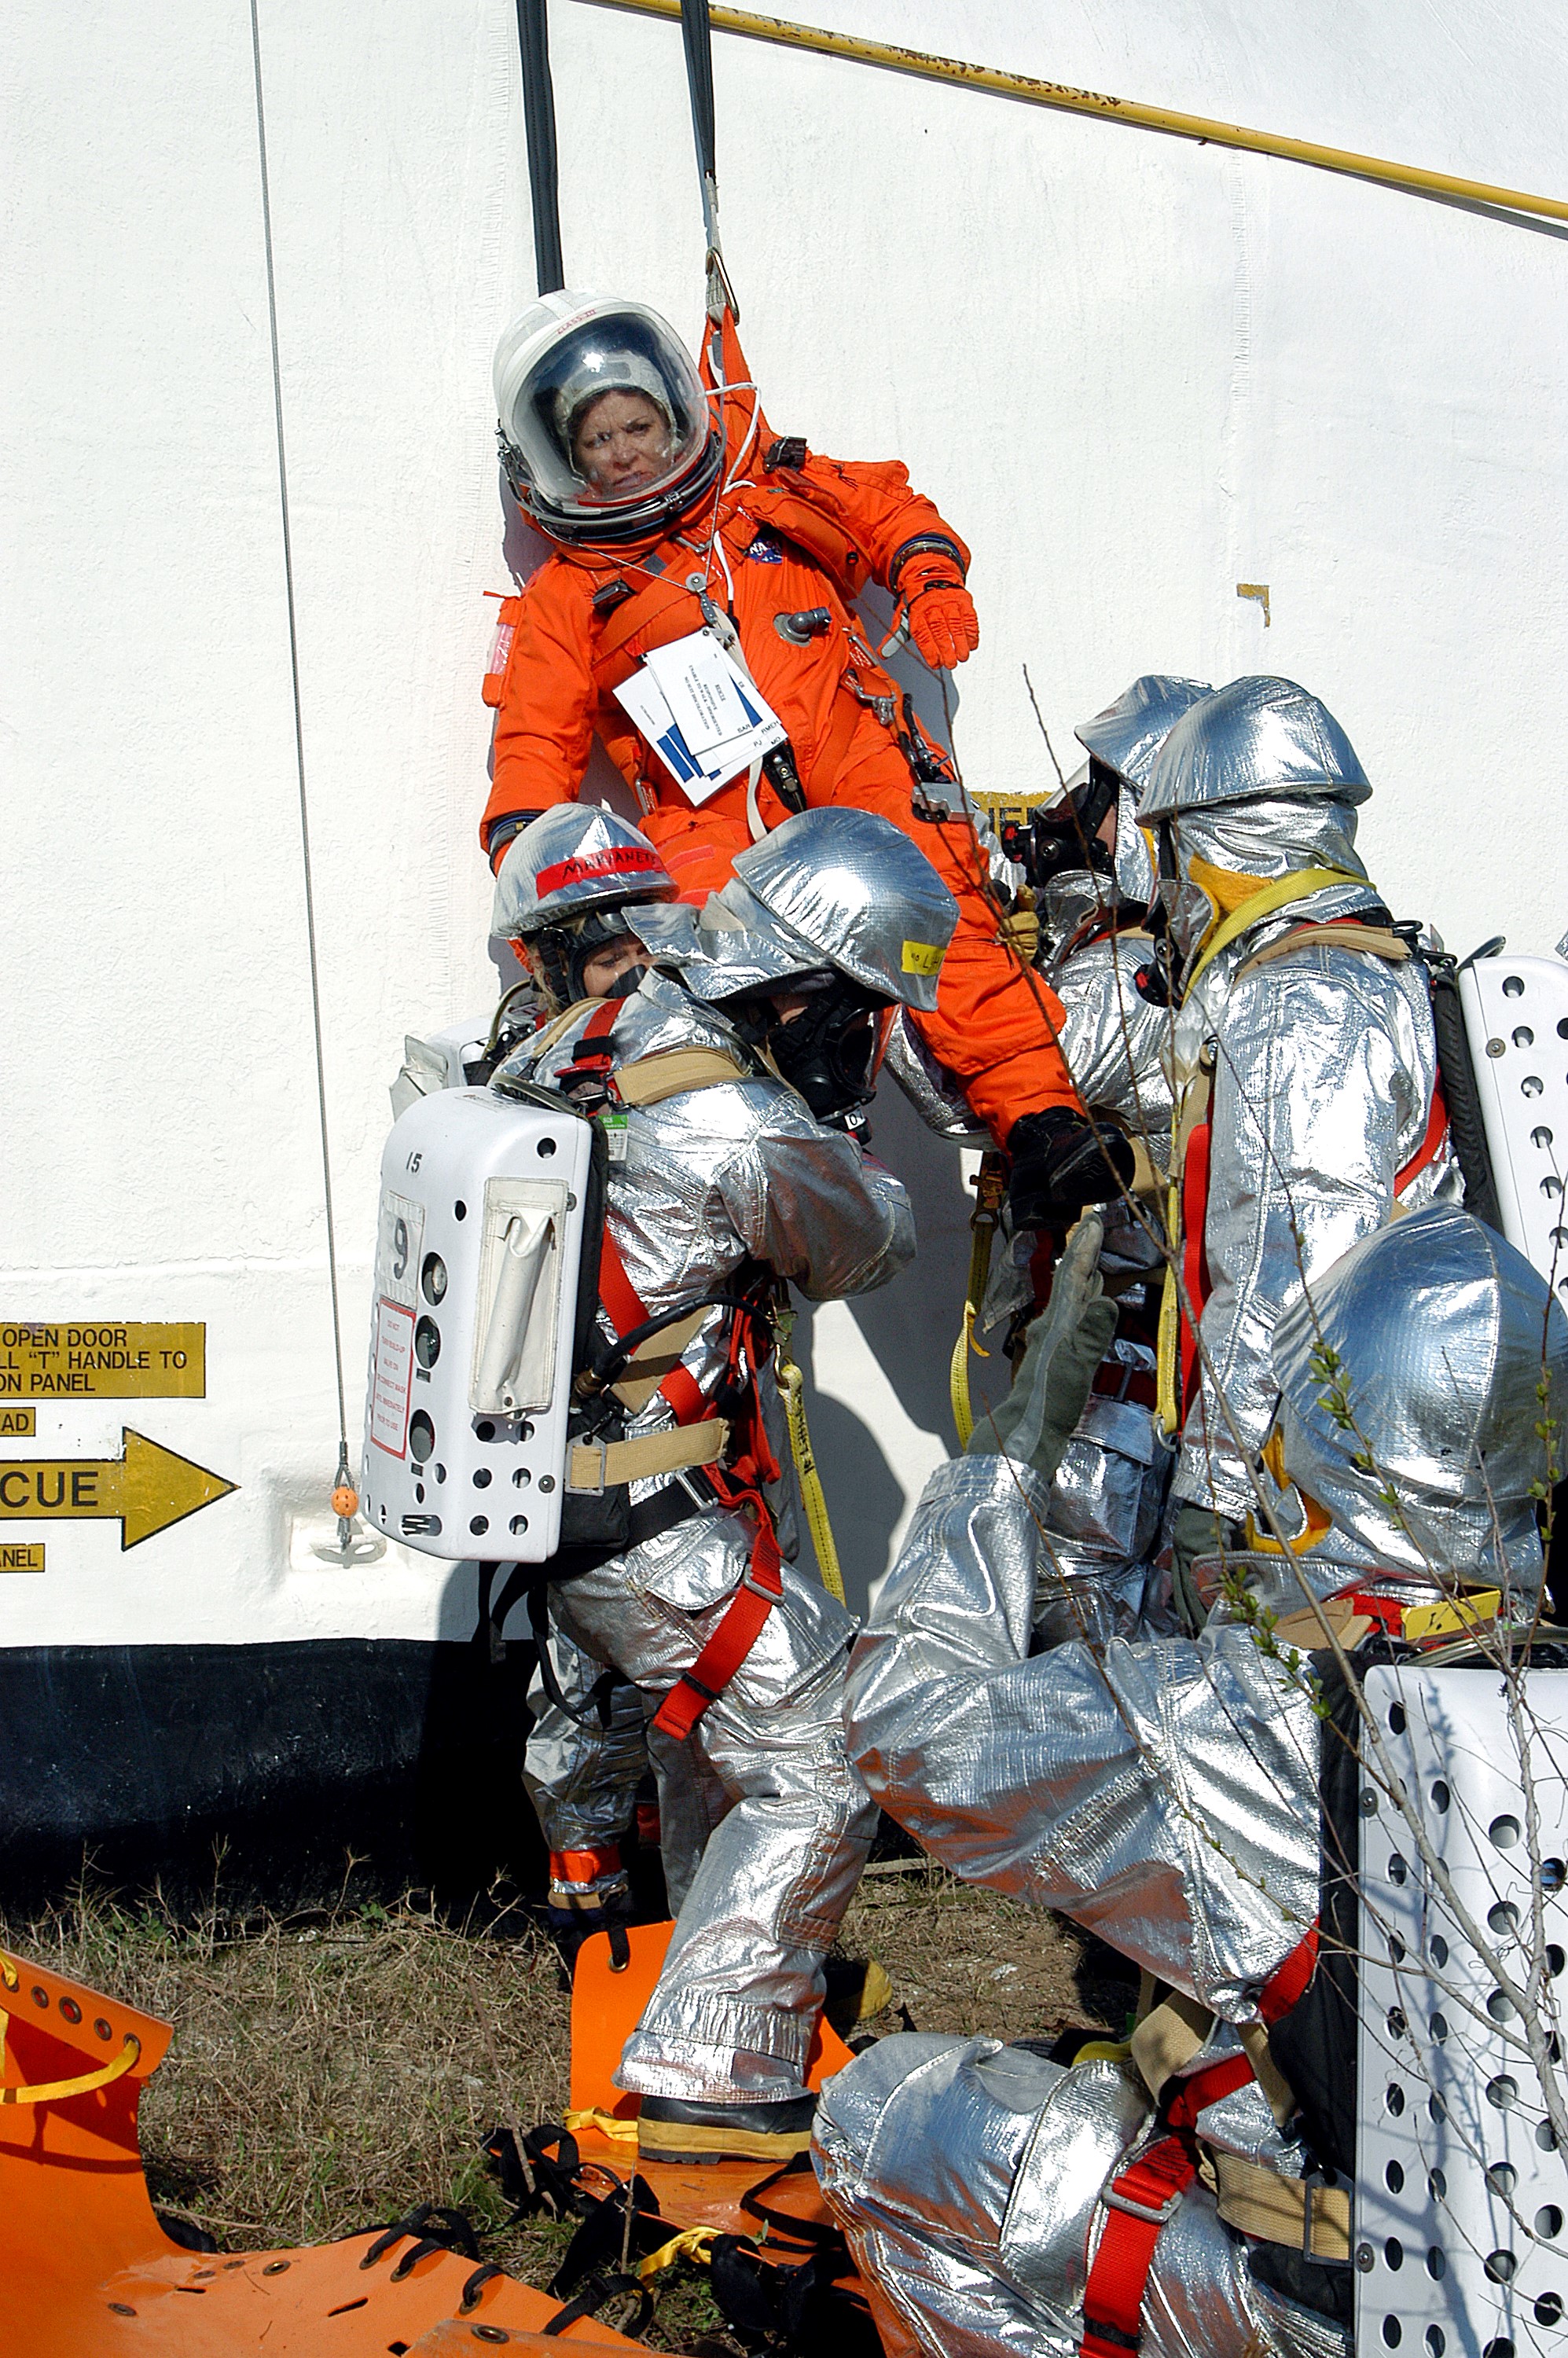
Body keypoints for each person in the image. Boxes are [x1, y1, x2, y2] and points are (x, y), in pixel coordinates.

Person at [811, 1203, 1568, 2358]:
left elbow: (908, 1732)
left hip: (1361, 2306)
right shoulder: (1535, 1691)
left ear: (1307, 1445)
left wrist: (1012, 1444)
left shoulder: (1245, 1714)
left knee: (881, 2117)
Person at [489, 800, 957, 2164]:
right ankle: (716, 2069)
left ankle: (726, 1964)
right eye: (865, 1012)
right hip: (660, 1522)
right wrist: (828, 1123)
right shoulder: (735, 1117)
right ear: (815, 988)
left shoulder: (565, 1045)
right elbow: (867, 1241)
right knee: (823, 1755)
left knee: (721, 1738)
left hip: (572, 1509)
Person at [481, 288, 1125, 1235]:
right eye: (595, 442)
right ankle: (779, 1173)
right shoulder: (567, 596)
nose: (622, 453)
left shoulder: (764, 492)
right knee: (702, 963)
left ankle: (1042, 1124)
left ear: (677, 418)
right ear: (559, 462)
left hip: (855, 750)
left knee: (944, 911)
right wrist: (539, 886)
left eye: (638, 426)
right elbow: (532, 746)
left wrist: (932, 578)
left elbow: (889, 509)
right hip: (706, 806)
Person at [1132, 675, 1459, 1629]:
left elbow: (1291, 1268)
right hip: (1370, 1484)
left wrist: (1213, 1490)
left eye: (1170, 849)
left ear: (1214, 839)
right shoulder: (1357, 962)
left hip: (1329, 1518)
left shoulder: (1304, 999)